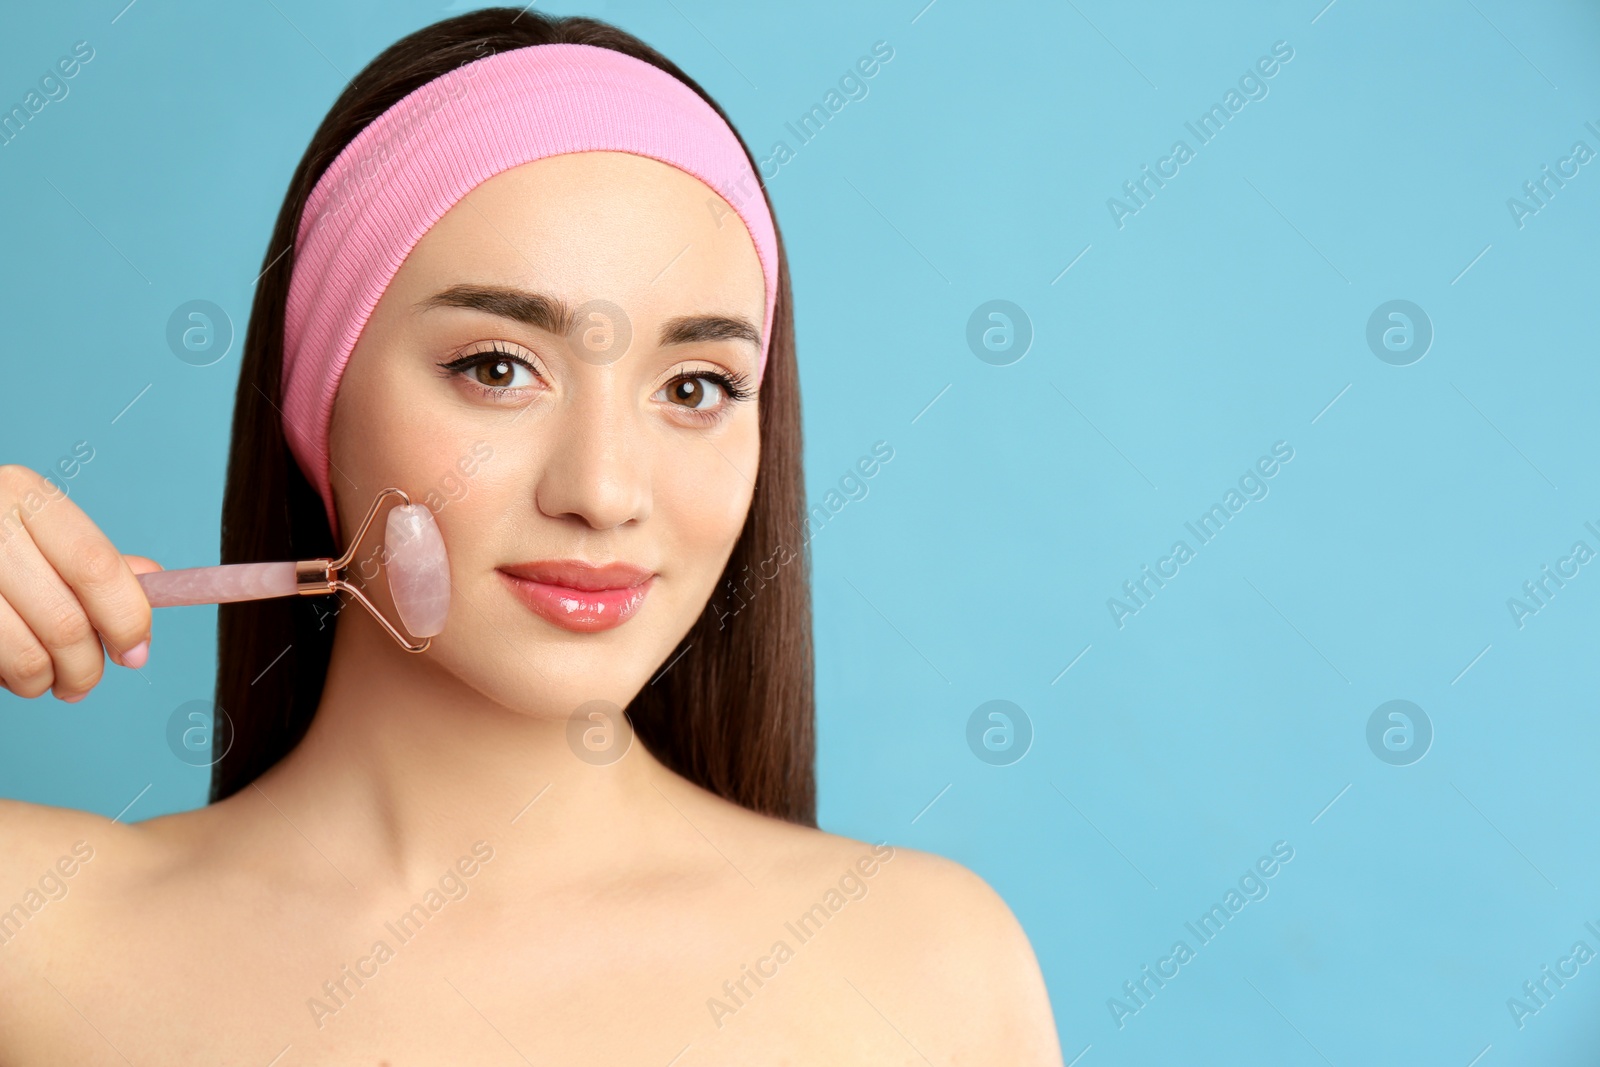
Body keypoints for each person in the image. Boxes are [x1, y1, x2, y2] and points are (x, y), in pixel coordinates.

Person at [0, 8, 1062, 1061]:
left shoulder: (927, 972)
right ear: (316, 399)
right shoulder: (37, 937)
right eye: (498, 367)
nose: (601, 491)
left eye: (695, 385)